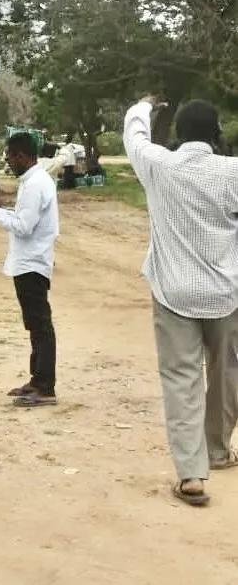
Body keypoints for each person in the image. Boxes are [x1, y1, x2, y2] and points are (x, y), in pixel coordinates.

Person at [124, 96, 238, 508]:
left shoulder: (159, 165)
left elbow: (134, 136)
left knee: (181, 378)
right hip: (225, 292)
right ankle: (218, 450)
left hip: (173, 292)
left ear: (177, 133)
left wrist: (143, 106)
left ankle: (191, 474)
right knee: (227, 371)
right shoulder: (233, 172)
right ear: (217, 134)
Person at [0, 132, 59, 408]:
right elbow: (25, 219)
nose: (8, 163)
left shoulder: (35, 184)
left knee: (40, 325)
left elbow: (24, 227)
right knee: (34, 324)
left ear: (22, 156)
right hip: (27, 261)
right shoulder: (32, 181)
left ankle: (45, 387)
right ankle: (37, 380)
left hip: (32, 263)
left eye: (10, 158)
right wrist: (0, 209)